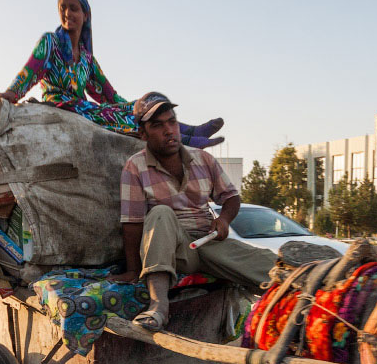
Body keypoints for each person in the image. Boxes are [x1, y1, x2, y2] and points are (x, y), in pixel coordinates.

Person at [110, 92, 278, 330]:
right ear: (143, 134)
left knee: (269, 266)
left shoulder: (203, 159)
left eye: (172, 122)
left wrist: (224, 220)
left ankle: (316, 286)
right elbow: (132, 222)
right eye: (158, 126)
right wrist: (132, 270)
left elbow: (231, 197)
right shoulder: (135, 166)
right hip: (174, 251)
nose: (169, 130)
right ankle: (159, 306)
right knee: (160, 213)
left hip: (207, 241)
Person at [1, 0, 224, 148]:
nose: (67, 13)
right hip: (60, 105)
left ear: (85, 15)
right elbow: (29, 71)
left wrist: (136, 106)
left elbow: (108, 94)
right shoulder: (50, 42)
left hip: (82, 107)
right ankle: (184, 141)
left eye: (73, 8)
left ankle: (190, 130)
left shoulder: (87, 57)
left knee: (143, 105)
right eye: (63, 8)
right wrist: (11, 94)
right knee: (115, 117)